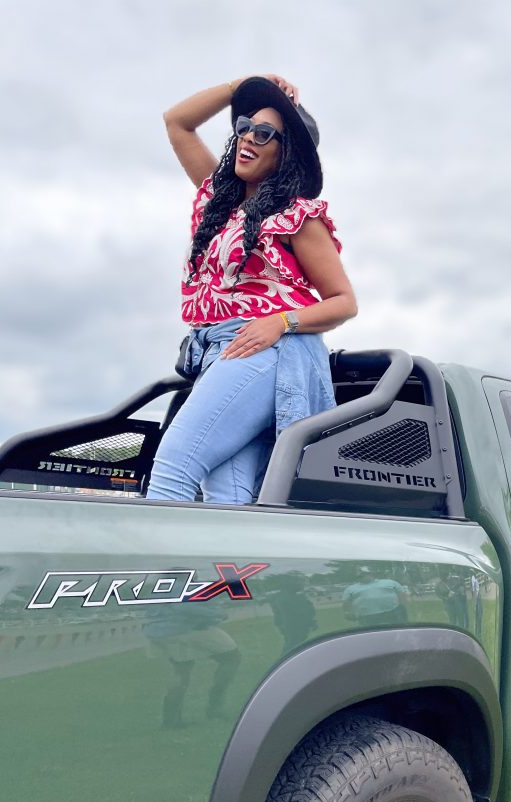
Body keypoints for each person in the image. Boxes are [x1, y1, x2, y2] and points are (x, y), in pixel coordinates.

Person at [146, 74, 357, 504]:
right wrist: (243, 85)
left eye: (264, 133)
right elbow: (177, 122)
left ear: (286, 152)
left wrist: (281, 322)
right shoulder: (219, 201)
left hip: (268, 347)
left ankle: (152, 552)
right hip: (220, 350)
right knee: (228, 494)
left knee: (174, 465)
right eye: (244, 126)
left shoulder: (296, 216)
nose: (248, 137)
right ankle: (228, 557)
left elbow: (344, 302)